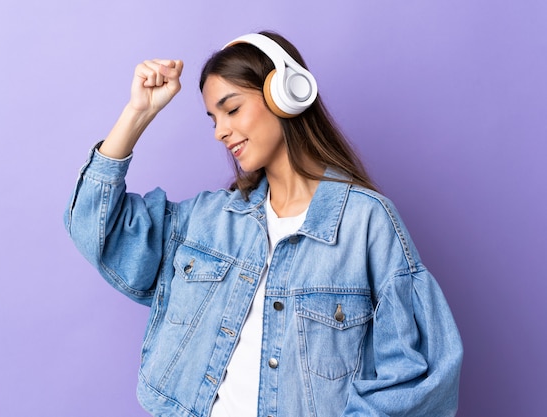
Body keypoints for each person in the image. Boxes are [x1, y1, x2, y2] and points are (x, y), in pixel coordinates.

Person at [64, 30, 463, 417]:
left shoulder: (366, 223)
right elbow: (96, 228)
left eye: (232, 109)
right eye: (213, 118)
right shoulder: (210, 221)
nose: (220, 131)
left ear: (285, 95)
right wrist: (138, 112)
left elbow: (419, 375)